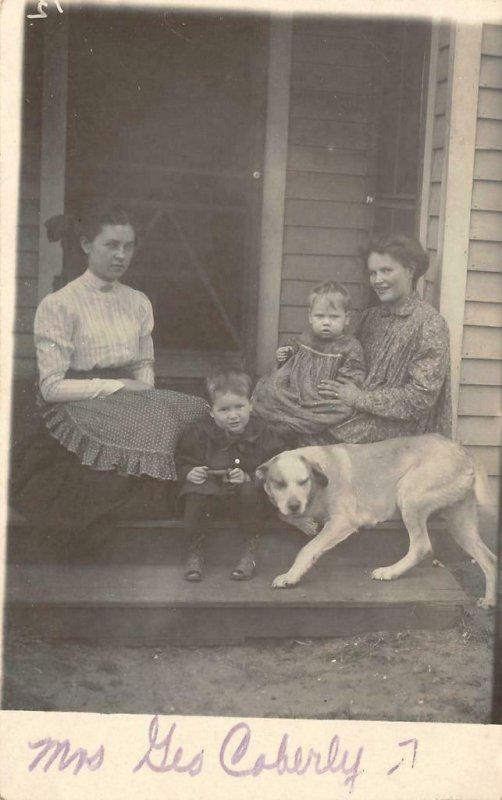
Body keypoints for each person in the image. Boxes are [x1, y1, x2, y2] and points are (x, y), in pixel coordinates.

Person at [11, 205, 208, 540]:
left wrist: (146, 401)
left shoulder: (138, 302)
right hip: (75, 401)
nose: (121, 255)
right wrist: (119, 386)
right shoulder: (59, 305)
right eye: (111, 245)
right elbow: (50, 388)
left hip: (128, 398)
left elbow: (143, 366)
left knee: (195, 412)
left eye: (128, 246)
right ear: (87, 245)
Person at [314, 233, 452, 444]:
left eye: (386, 271)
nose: (378, 281)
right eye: (373, 273)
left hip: (401, 439)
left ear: (410, 271)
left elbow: (420, 399)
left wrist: (359, 398)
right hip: (358, 421)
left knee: (309, 444)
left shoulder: (429, 323)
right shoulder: (371, 317)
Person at [175, 370, 293, 582]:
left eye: (239, 407)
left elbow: (277, 464)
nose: (233, 415)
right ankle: (196, 548)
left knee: (250, 492)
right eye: (224, 410)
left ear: (251, 404)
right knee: (195, 495)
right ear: (211, 412)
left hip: (245, 497)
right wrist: (189, 472)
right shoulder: (199, 432)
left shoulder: (263, 431)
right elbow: (182, 460)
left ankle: (251, 548)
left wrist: (250, 476)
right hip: (209, 491)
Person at [251, 281, 366, 437]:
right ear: (310, 317)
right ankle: (279, 422)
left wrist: (342, 386)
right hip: (296, 390)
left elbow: (355, 372)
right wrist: (286, 352)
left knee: (342, 410)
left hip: (322, 396)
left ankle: (295, 426)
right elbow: (294, 346)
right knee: (272, 389)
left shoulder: (350, 346)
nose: (326, 322)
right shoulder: (307, 337)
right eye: (320, 316)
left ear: (346, 318)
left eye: (333, 317)